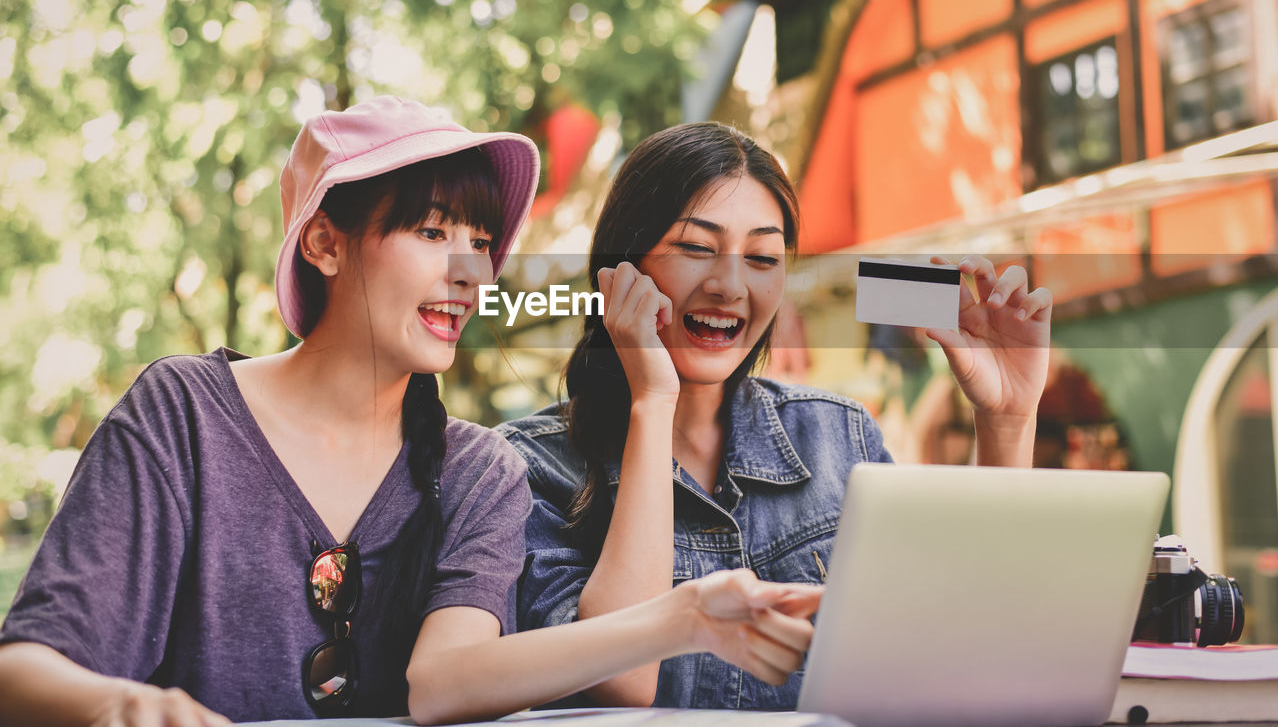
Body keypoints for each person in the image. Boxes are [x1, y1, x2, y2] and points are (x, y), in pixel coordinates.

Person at [0, 98, 823, 726]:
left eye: (480, 240)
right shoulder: (183, 416)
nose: (472, 270)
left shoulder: (477, 469)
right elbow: (24, 669)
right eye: (433, 231)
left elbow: (445, 682)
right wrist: (121, 705)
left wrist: (683, 616)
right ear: (324, 242)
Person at [498, 121, 1053, 710]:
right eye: (696, 248)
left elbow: (961, 641)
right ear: (621, 268)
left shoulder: (839, 435)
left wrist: (1007, 421)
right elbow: (620, 685)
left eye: (762, 256)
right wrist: (652, 401)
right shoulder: (526, 468)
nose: (730, 286)